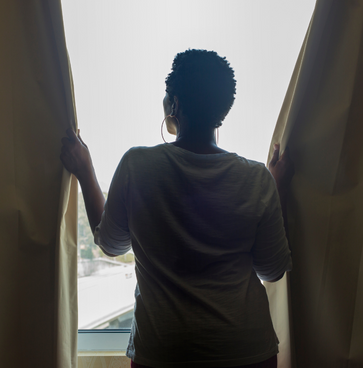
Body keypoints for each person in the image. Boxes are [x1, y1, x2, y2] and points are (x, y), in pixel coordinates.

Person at [60, 49, 294, 368]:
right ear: (221, 111)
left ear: (175, 104)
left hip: (164, 354)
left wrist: (85, 170)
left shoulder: (137, 166)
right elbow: (272, 270)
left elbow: (111, 244)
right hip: (245, 353)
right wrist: (274, 187)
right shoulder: (256, 179)